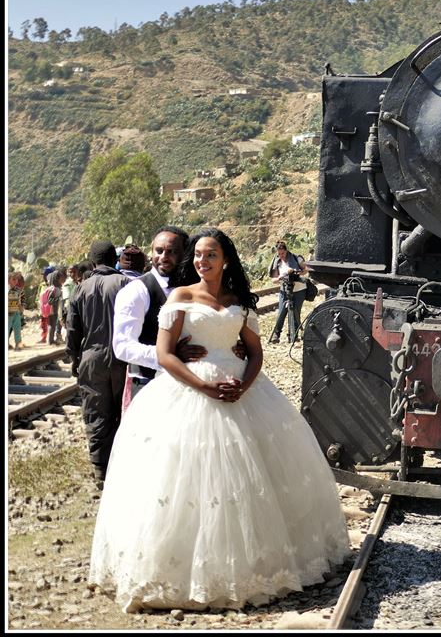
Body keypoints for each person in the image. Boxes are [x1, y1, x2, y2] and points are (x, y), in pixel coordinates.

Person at [89, 228, 351, 613]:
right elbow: (165, 355)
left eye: (210, 254)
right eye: (196, 254)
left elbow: (256, 353)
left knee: (250, 482)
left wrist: (244, 386)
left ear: (225, 258)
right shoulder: (180, 297)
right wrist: (204, 387)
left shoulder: (240, 302)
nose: (201, 261)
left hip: (243, 395)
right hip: (187, 394)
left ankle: (254, 569)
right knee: (185, 483)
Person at [113, 226, 242, 413]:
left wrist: (230, 344)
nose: (164, 257)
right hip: (150, 385)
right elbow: (122, 346)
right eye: (158, 251)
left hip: (197, 389)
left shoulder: (198, 288)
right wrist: (169, 356)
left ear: (186, 254)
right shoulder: (137, 291)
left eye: (172, 252)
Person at [65, 241, 130, 485]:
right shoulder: (128, 284)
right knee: (123, 412)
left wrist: (74, 359)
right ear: (115, 259)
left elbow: (73, 330)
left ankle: (101, 470)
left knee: (96, 413)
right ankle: (122, 462)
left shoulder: (80, 290)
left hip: (92, 359)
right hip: (124, 359)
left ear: (92, 262)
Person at [268, 241, 308, 344]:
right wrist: (280, 277)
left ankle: (293, 336)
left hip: (299, 290)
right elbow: (273, 279)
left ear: (286, 251)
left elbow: (306, 269)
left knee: (295, 313)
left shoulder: (296, 258)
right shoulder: (277, 262)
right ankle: (276, 335)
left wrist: (296, 272)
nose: (281, 256)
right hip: (284, 289)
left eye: (283, 253)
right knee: (281, 312)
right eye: (279, 254)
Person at [8, 272, 26, 350]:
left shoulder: (18, 290)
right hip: (8, 313)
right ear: (8, 280)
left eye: (16, 280)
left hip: (16, 312)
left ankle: (18, 344)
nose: (16, 281)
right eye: (13, 279)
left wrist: (21, 307)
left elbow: (21, 299)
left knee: (17, 328)